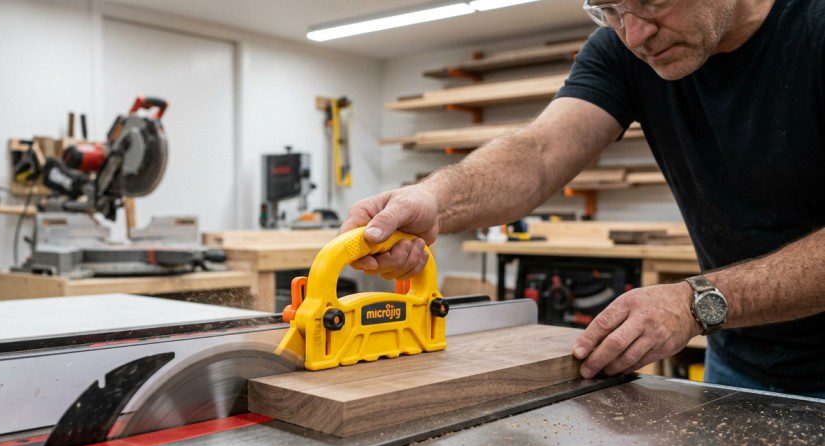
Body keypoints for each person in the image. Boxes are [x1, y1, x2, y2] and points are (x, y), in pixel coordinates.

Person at [340, 0, 825, 396]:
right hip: (739, 359)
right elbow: (539, 151)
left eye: (652, 1)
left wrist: (695, 304)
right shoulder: (622, 50)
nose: (634, 35)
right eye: (608, 9)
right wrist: (432, 198)